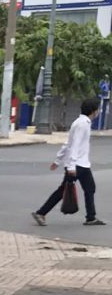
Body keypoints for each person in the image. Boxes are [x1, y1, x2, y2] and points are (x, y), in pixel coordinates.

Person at [33, 97, 105, 227]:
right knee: (64, 190)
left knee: (90, 188)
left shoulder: (81, 122)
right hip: (77, 165)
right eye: (98, 109)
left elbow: (68, 143)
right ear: (93, 110)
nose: (99, 111)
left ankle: (91, 217)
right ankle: (41, 213)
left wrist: (58, 160)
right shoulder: (82, 124)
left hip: (82, 164)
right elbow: (74, 145)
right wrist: (71, 166)